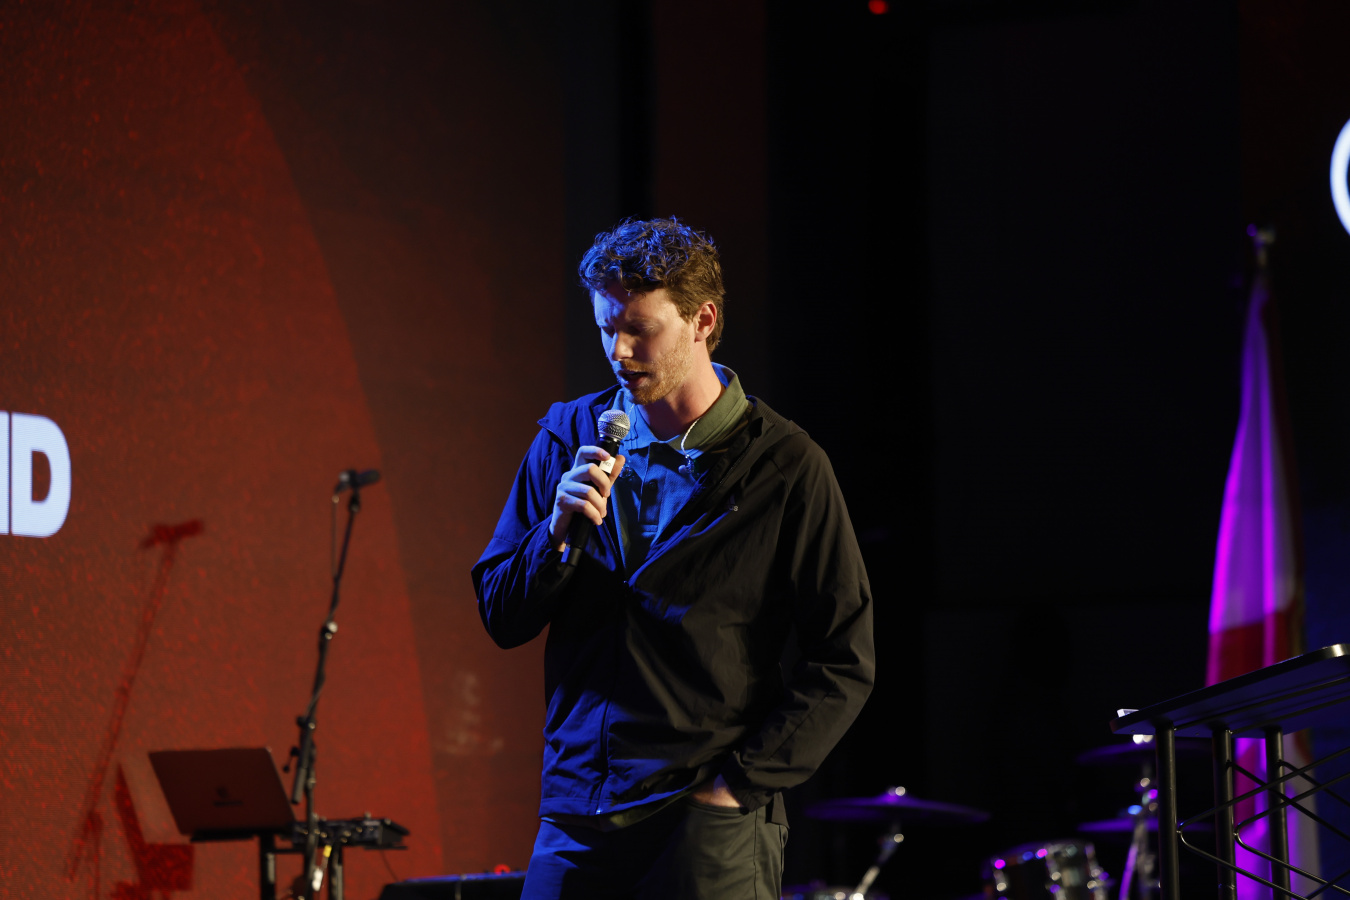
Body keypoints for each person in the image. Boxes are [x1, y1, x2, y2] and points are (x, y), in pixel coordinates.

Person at [472, 217, 874, 899]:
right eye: (606, 329)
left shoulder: (784, 465)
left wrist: (735, 788)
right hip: (578, 815)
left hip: (705, 823)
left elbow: (844, 659)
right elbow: (501, 616)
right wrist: (555, 535)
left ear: (702, 321)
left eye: (640, 329)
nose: (619, 351)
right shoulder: (567, 438)